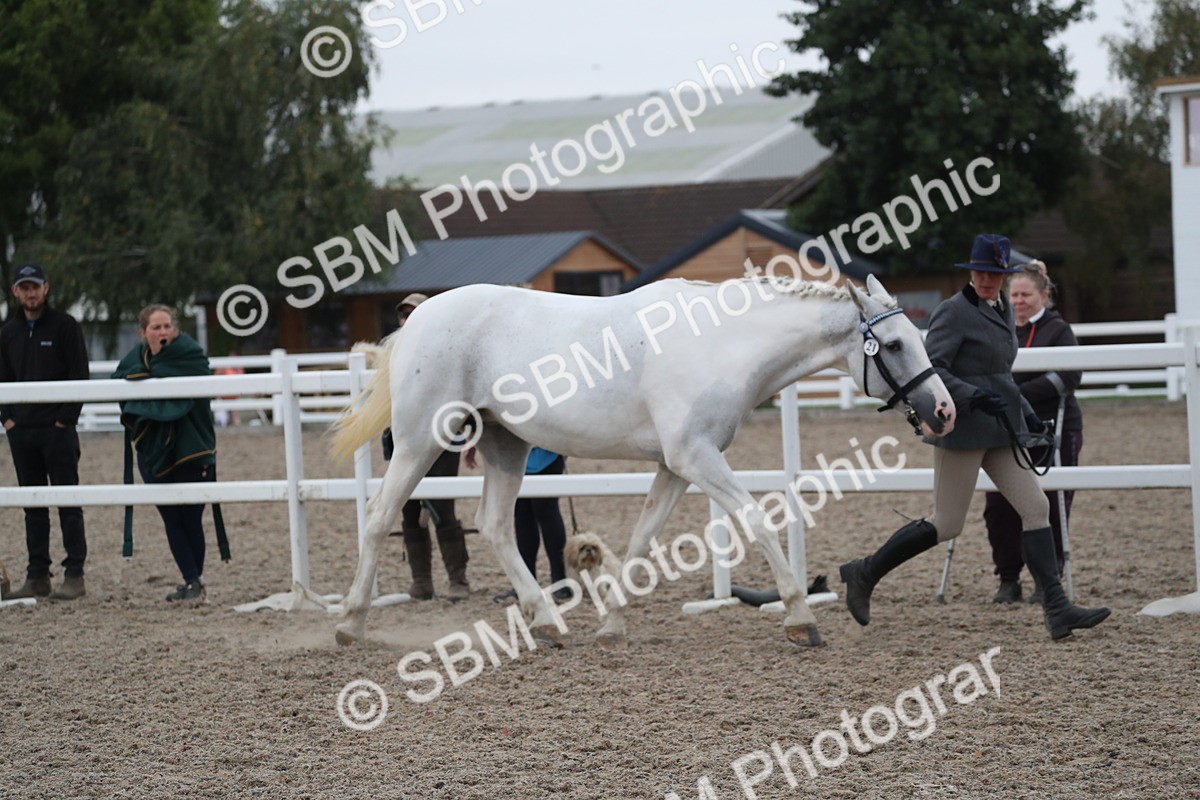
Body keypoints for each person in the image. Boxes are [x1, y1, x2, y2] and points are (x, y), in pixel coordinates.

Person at [839, 234, 1109, 640]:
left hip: (999, 431)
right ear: (972, 272)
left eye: (995, 274)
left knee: (1036, 508)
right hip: (962, 430)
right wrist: (973, 396)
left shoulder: (1001, 310)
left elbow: (1002, 376)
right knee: (947, 523)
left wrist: (1030, 418)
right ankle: (865, 571)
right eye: (982, 272)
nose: (988, 280)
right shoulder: (953, 312)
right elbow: (934, 370)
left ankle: (1056, 609)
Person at [985, 260, 1082, 604]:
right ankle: (1008, 578)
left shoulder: (1058, 330)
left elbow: (1068, 377)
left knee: (1051, 505)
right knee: (998, 507)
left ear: (1044, 296)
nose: (1020, 301)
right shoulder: (999, 326)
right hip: (1006, 431)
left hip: (1053, 429)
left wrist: (1017, 396)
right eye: (1014, 294)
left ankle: (1047, 579)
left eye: (1026, 294)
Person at [112, 305, 216, 603]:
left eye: (167, 326)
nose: (163, 332)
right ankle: (192, 581)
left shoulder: (190, 355)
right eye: (156, 328)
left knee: (191, 516)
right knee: (170, 516)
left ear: (175, 329)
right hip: (154, 448)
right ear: (143, 333)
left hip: (191, 447)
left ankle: (197, 581)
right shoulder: (135, 361)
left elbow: (199, 375)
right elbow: (121, 379)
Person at [0, 263, 90, 601]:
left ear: (46, 288)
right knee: (32, 505)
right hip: (21, 432)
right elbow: (2, 377)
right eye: (24, 287)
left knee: (68, 501)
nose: (30, 292)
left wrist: (65, 420)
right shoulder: (8, 333)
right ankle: (37, 575)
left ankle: (74, 574)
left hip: (57, 430)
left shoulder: (66, 326)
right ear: (16, 291)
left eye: (35, 286)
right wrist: (7, 419)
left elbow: (79, 373)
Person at [383, 293, 470, 601]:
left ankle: (457, 580)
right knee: (407, 509)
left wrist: (471, 437)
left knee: (442, 508)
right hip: (405, 440)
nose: (407, 320)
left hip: (443, 440)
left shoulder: (448, 354)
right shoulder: (394, 356)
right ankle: (422, 581)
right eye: (404, 315)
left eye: (414, 314)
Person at [492, 447, 571, 603]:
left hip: (547, 449)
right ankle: (525, 582)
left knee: (546, 509)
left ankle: (560, 581)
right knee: (522, 513)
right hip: (516, 453)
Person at [214, 347, 244, 427]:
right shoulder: (224, 368)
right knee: (222, 420)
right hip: (224, 397)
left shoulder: (240, 370)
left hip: (234, 398)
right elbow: (216, 377)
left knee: (236, 418)